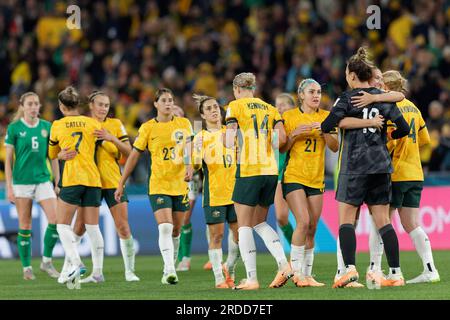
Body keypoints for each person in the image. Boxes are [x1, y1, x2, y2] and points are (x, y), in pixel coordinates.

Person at [321, 47, 410, 288]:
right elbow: (404, 129)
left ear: (351, 75)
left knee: (347, 220)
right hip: (381, 165)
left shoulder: (347, 98)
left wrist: (346, 123)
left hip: (354, 166)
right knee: (383, 221)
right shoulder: (380, 98)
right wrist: (384, 132)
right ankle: (395, 273)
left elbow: (327, 123)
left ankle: (349, 270)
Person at [343, 71, 440, 284]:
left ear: (386, 87)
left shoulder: (388, 108)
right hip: (415, 172)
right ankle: (430, 269)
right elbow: (424, 140)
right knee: (412, 223)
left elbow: (389, 141)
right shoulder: (413, 108)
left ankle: (375, 269)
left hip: (394, 173)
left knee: (381, 221)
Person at [115, 88, 193, 285]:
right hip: (159, 184)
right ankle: (169, 270)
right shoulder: (148, 127)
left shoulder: (184, 124)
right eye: (164, 100)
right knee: (166, 227)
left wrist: (191, 167)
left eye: (171, 99)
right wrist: (121, 181)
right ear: (156, 104)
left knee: (176, 230)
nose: (168, 103)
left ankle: (170, 267)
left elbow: (192, 149)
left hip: (180, 184)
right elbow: (134, 155)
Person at [224, 72, 290, 290]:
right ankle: (283, 264)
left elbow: (229, 139)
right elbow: (282, 139)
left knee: (243, 226)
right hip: (270, 170)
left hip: (249, 169)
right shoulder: (271, 109)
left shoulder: (235, 106)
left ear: (237, 89)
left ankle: (251, 278)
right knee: (259, 222)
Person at [67, 91, 139, 282]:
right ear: (91, 105)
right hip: (90, 182)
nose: (103, 109)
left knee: (123, 226)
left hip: (113, 181)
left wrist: (110, 138)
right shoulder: (82, 124)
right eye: (100, 105)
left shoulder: (115, 125)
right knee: (80, 227)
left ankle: (129, 272)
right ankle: (73, 268)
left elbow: (129, 151)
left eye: (106, 105)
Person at [280, 79, 339, 287]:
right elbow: (281, 148)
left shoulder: (326, 117)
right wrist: (294, 135)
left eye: (319, 92)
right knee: (303, 221)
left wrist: (324, 130)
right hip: (294, 176)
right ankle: (295, 272)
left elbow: (334, 146)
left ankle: (307, 275)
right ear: (301, 95)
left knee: (312, 228)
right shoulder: (289, 117)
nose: (316, 95)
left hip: (316, 178)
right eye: (311, 92)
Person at [48, 86, 103, 289]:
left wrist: (62, 155)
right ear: (78, 105)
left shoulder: (57, 125)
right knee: (93, 227)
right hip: (93, 179)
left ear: (61, 106)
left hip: (72, 179)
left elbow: (53, 154)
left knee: (62, 225)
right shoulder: (92, 123)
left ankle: (77, 262)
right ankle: (97, 272)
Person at [4, 92, 60, 280]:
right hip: (21, 182)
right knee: (25, 224)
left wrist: (57, 181)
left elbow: (52, 156)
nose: (34, 107)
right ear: (22, 106)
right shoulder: (14, 128)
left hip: (43, 180)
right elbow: (8, 160)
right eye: (30, 104)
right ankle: (27, 268)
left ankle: (46, 261)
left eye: (36, 103)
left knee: (55, 219)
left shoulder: (47, 126)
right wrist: (9, 187)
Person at [191, 93, 240, 288]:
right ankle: (219, 278)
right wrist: (198, 151)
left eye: (215, 107)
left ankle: (230, 268)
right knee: (217, 236)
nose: (213, 110)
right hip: (215, 193)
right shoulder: (200, 137)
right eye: (208, 108)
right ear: (202, 115)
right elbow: (194, 166)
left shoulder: (231, 132)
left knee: (238, 236)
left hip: (236, 192)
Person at [273, 93, 296, 245]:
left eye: (283, 104)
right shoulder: (272, 126)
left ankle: (302, 255)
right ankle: (296, 248)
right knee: (281, 217)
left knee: (307, 221)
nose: (279, 107)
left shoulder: (297, 123)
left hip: (297, 173)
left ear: (293, 107)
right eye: (277, 104)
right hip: (279, 175)